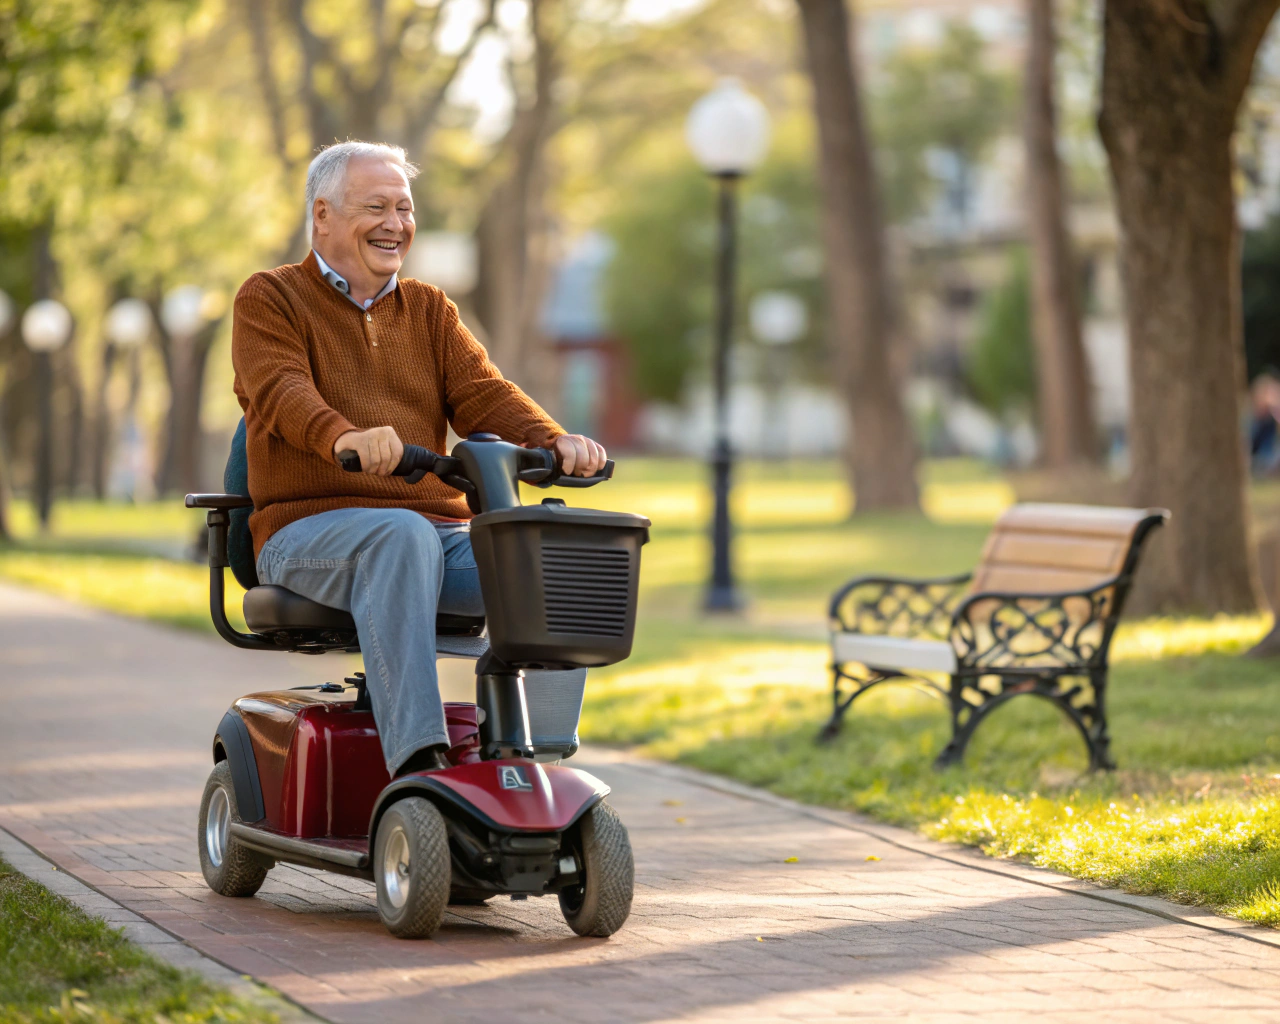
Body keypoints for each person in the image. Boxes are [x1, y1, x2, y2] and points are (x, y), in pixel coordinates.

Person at [232, 141, 606, 777]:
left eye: (403, 208)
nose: (395, 223)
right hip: (305, 533)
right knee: (401, 536)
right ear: (322, 215)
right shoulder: (270, 298)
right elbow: (281, 392)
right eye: (375, 206)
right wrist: (343, 437)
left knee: (546, 552)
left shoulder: (430, 310)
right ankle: (417, 761)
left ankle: (535, 763)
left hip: (430, 533)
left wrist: (553, 439)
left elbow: (484, 393)